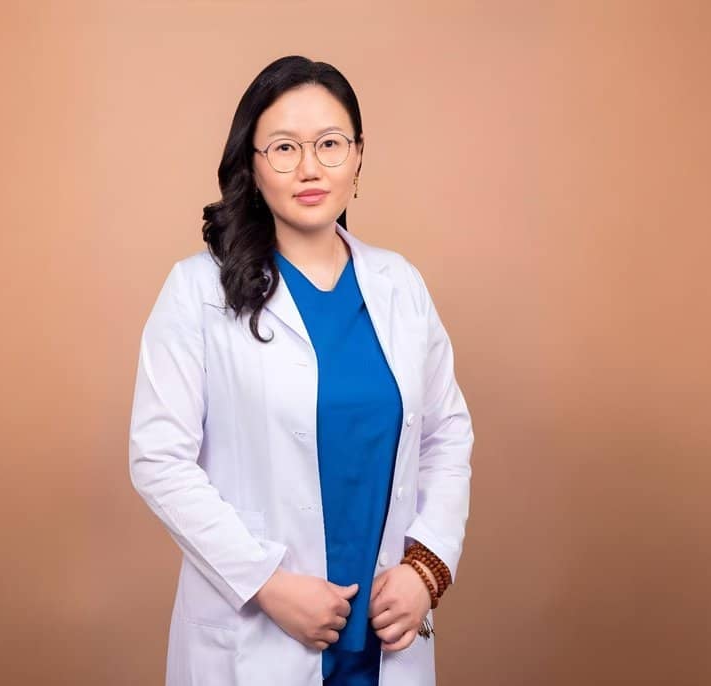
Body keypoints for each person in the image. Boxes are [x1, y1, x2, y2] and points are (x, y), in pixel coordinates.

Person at [129, 55, 474, 686]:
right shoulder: (195, 292)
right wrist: (265, 583)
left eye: (330, 144)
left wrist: (427, 569)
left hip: (383, 630)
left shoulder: (400, 285)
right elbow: (158, 458)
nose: (310, 167)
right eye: (284, 147)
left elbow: (446, 436)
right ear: (252, 164)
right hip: (260, 632)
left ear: (359, 156)